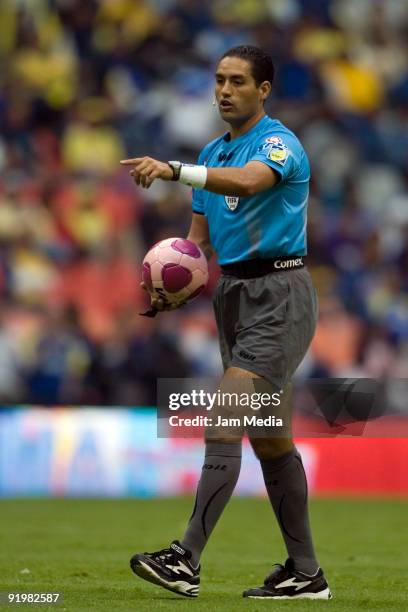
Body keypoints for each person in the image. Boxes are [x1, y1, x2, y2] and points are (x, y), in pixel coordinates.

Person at [120, 45, 332, 600]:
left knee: (223, 414)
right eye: (219, 80)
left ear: (263, 90)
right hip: (234, 297)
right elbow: (196, 247)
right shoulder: (212, 153)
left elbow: (246, 184)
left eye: (238, 81)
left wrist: (171, 169)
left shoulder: (278, 144)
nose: (224, 90)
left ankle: (185, 558)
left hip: (280, 293)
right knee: (270, 441)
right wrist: (170, 288)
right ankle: (305, 572)